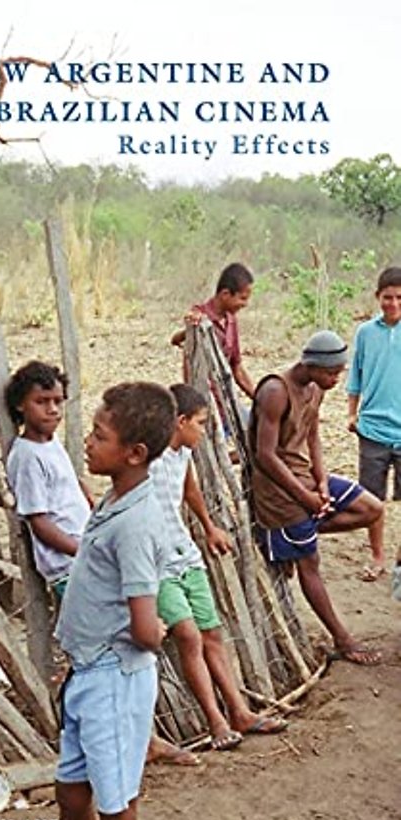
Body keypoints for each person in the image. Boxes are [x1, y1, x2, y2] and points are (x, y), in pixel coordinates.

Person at [10, 381, 175, 820]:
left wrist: (133, 650)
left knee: (117, 811)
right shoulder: (114, 500)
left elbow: (145, 622)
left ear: (134, 452)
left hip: (113, 679)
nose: (87, 438)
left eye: (100, 435)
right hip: (89, 676)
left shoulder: (134, 522)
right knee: (72, 795)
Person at [151, 384, 288, 749]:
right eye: (200, 422)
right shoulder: (148, 457)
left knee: (212, 633)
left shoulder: (182, 454)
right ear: (179, 422)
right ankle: (215, 722)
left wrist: (209, 527)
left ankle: (239, 712)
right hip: (157, 565)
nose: (204, 430)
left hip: (185, 555)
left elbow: (189, 489)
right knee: (189, 636)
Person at [249, 330, 383, 665]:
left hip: (304, 476)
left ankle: (299, 533)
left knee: (371, 509)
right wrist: (306, 499)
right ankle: (343, 639)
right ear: (311, 365)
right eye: (331, 373)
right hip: (277, 490)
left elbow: (312, 435)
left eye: (340, 372)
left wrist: (321, 482)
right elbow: (265, 456)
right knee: (310, 564)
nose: (336, 379)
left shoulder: (315, 388)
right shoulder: (276, 391)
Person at [4, 360, 92, 603]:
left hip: (84, 556)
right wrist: (81, 551)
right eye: (41, 401)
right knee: (94, 632)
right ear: (20, 405)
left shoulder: (50, 443)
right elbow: (39, 521)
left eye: (57, 401)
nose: (52, 409)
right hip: (68, 566)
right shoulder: (27, 456)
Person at [347, 266, 401, 581]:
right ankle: (377, 555)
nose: (393, 303)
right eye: (387, 297)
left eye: (398, 298)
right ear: (377, 297)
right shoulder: (366, 332)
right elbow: (356, 376)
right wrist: (351, 415)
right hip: (373, 430)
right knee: (372, 500)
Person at [171, 262, 256, 398]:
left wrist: (257, 397)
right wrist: (190, 328)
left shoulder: (231, 321)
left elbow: (237, 367)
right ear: (225, 294)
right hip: (202, 401)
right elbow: (176, 339)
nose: (245, 304)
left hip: (225, 399)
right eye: (242, 298)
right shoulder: (200, 315)